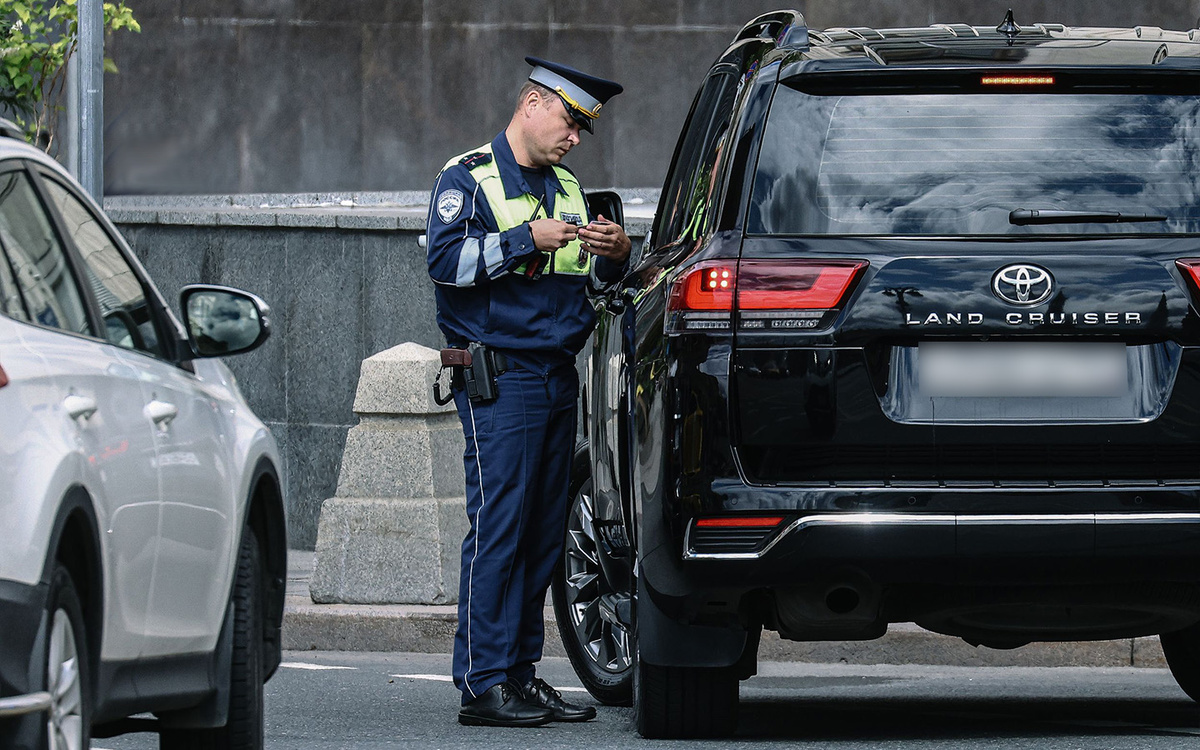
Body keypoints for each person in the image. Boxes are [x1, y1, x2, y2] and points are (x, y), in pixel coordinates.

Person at [425, 57, 631, 727]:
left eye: (580, 132)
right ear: (532, 106)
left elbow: (589, 287)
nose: (573, 139)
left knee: (541, 535)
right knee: (500, 528)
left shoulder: (571, 190)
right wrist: (521, 239)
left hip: (554, 375)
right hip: (500, 377)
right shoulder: (468, 179)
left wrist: (617, 253)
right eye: (570, 123)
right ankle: (484, 682)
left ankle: (519, 673)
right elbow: (445, 263)